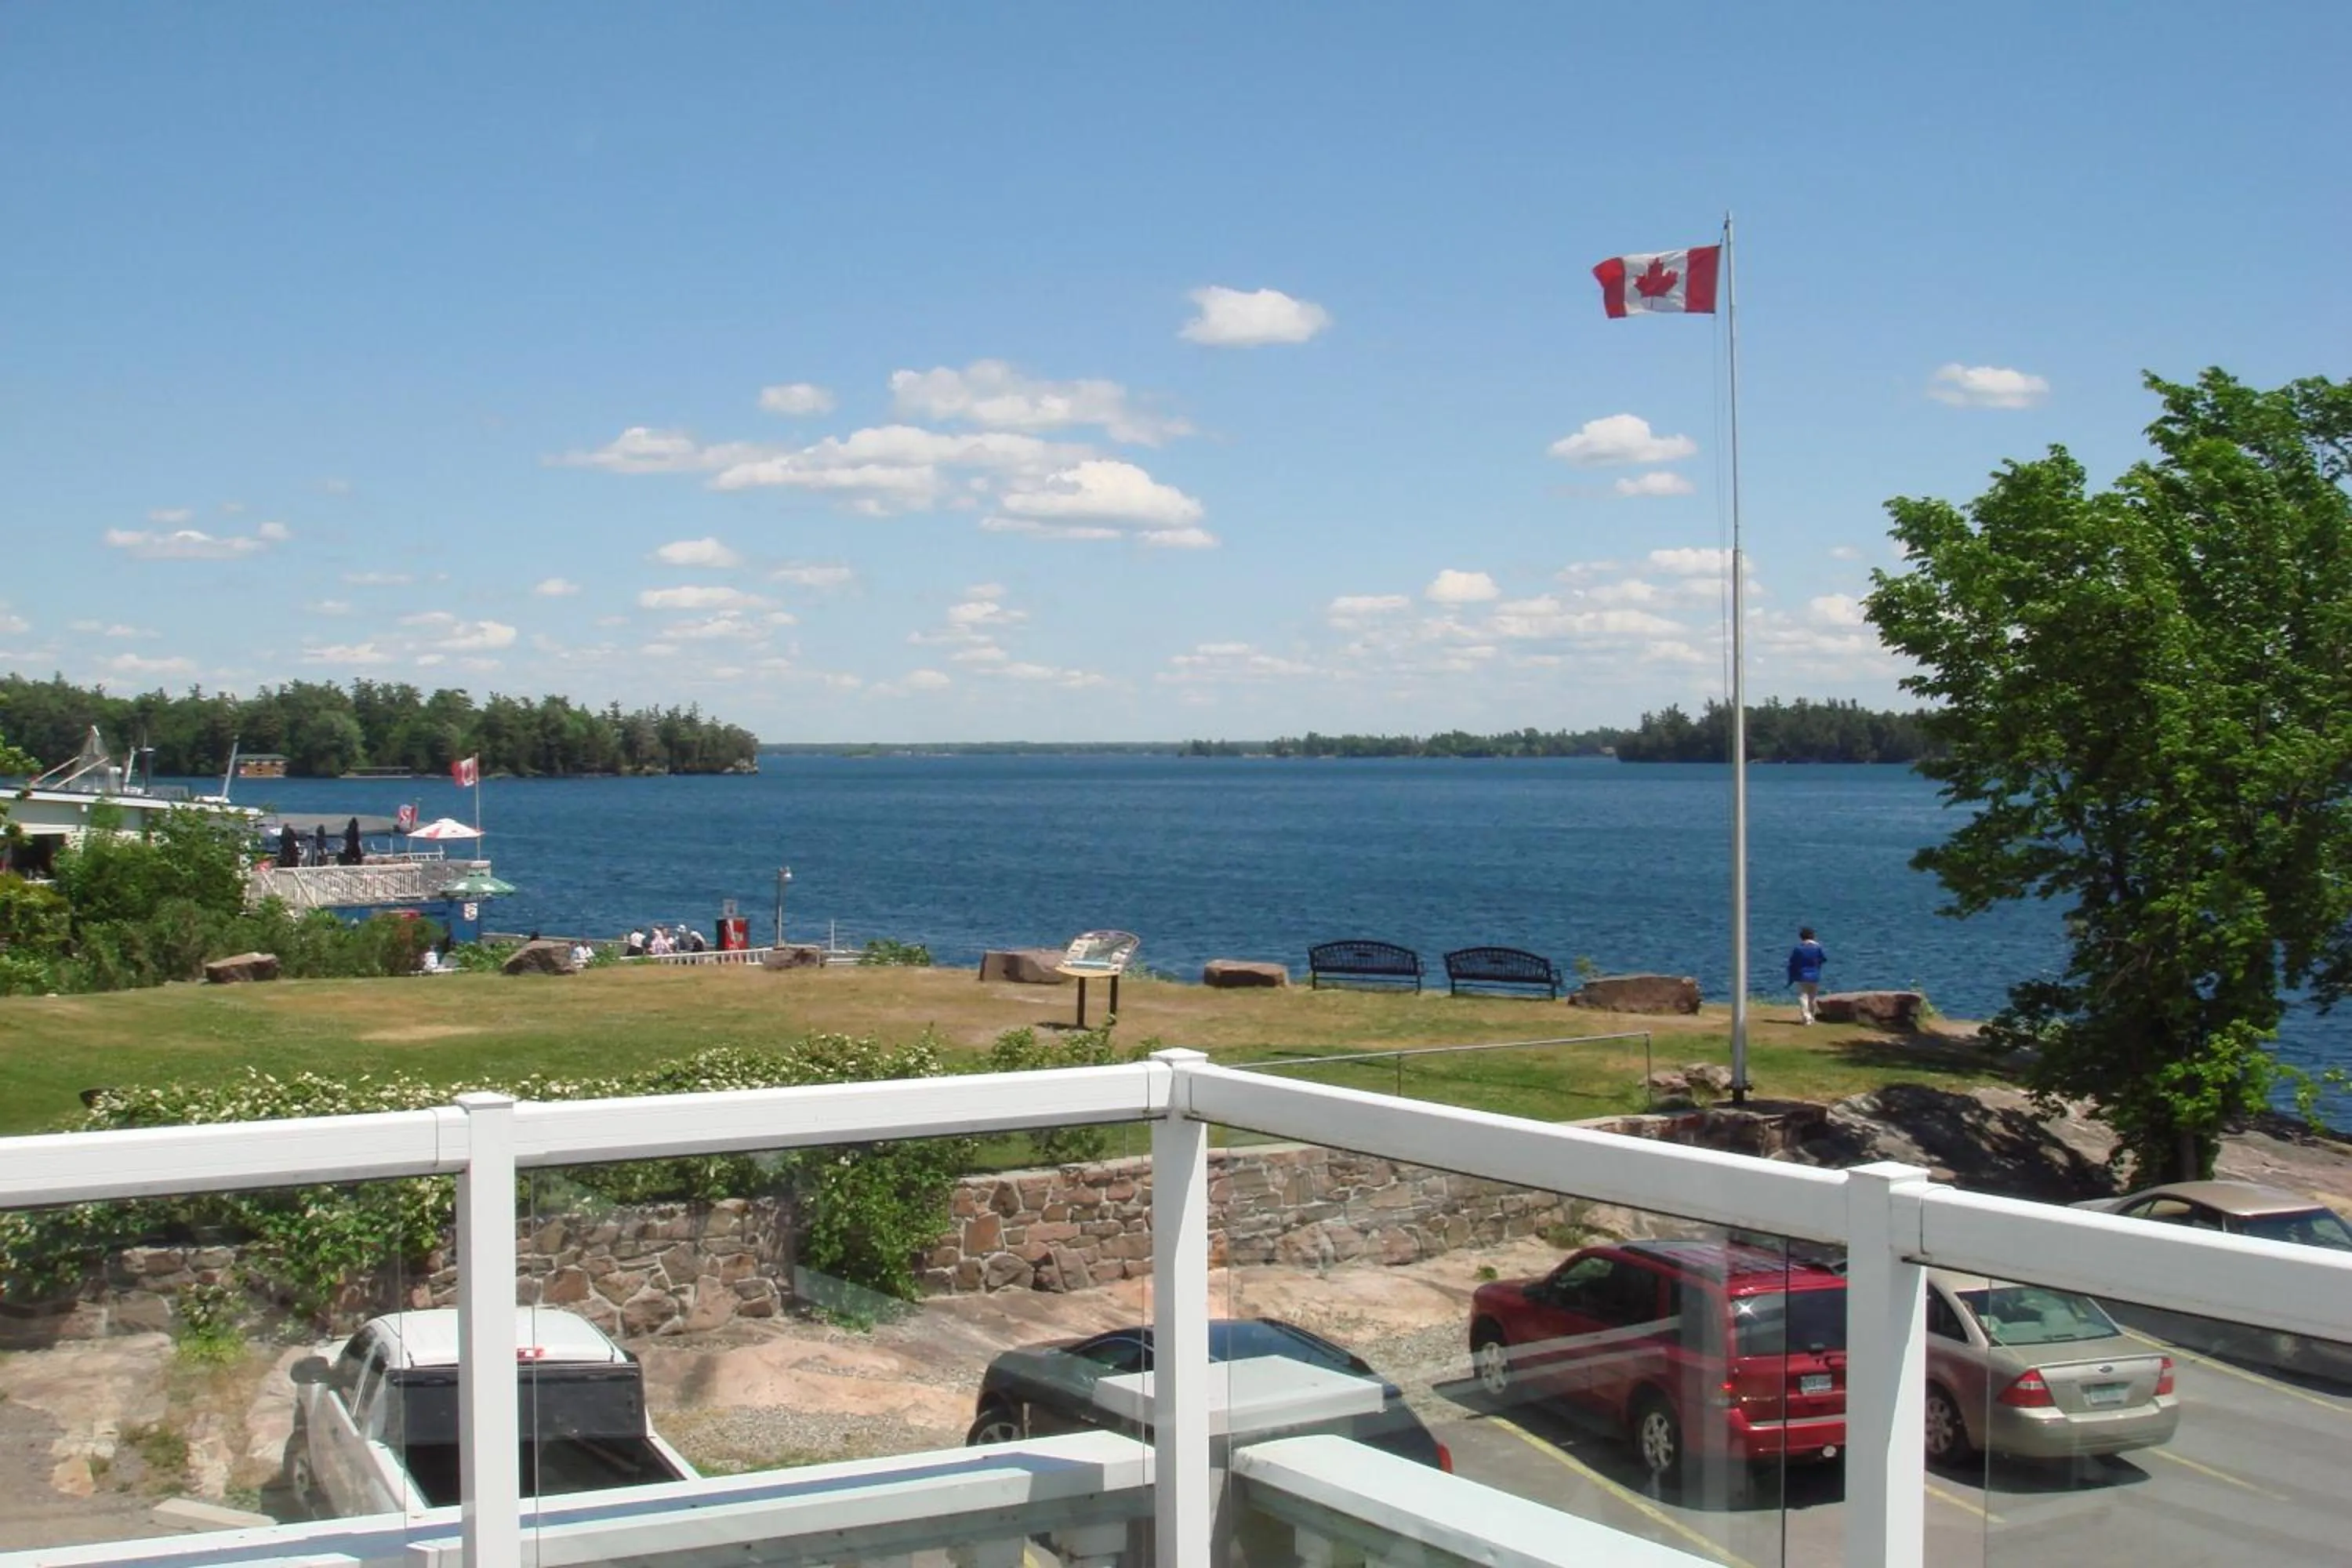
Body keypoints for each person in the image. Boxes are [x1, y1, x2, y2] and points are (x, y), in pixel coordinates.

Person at [1786, 927, 1828, 1024]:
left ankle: (1806, 1017)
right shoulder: (1817, 947)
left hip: (1802, 975)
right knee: (1812, 997)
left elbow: (1792, 962)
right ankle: (1812, 1016)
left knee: (1803, 996)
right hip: (1814, 975)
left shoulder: (1798, 949)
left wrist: (1792, 975)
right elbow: (1823, 959)